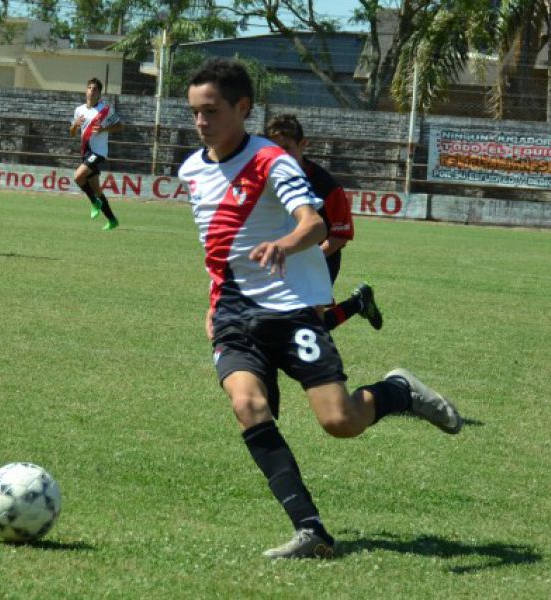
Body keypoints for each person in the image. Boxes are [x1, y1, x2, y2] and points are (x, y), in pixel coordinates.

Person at [179, 58, 463, 559]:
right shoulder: (192, 169)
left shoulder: (272, 161)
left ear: (242, 108)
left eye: (212, 111)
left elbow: (314, 225)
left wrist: (285, 245)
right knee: (249, 406)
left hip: (291, 310)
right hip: (233, 313)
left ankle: (398, 390)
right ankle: (311, 531)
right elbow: (215, 244)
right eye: (195, 113)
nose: (201, 123)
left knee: (340, 421)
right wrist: (211, 299)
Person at [266, 114, 382, 331]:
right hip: (283, 257)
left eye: (287, 148)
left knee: (309, 327)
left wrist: (307, 257)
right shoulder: (265, 179)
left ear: (303, 144)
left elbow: (339, 238)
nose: (281, 156)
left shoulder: (327, 186)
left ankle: (357, 302)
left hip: (321, 258)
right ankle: (359, 302)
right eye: (274, 149)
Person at [70, 77, 123, 231]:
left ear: (99, 94)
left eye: (95, 89)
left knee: (78, 176)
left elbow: (120, 126)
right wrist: (75, 125)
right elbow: (72, 132)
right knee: (96, 188)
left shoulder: (105, 110)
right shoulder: (79, 110)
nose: (91, 91)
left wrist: (104, 129)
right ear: (86, 90)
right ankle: (112, 220)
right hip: (85, 152)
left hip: (98, 152)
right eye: (90, 88)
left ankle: (94, 202)